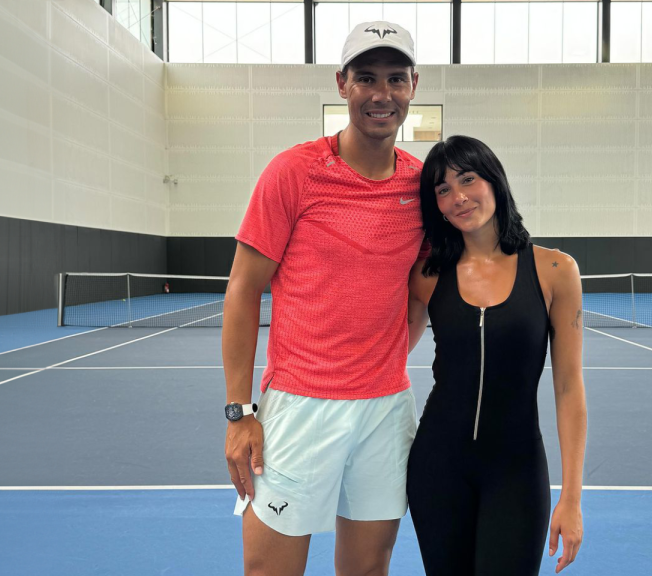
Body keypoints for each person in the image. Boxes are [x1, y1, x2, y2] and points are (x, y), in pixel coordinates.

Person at [222, 21, 425, 576]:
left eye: (395, 79)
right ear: (342, 84)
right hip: (300, 409)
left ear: (413, 85)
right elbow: (242, 290)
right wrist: (240, 412)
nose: (382, 94)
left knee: (368, 569)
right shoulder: (294, 172)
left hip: (386, 413)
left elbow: (420, 296)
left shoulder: (422, 185)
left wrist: (380, 360)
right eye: (366, 78)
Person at [406, 135, 588, 575]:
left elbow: (568, 387)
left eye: (468, 179)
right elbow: (384, 352)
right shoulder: (427, 275)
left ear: (495, 181)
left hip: (517, 471)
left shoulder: (555, 270)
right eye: (443, 189)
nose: (458, 197)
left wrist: (572, 497)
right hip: (438, 467)